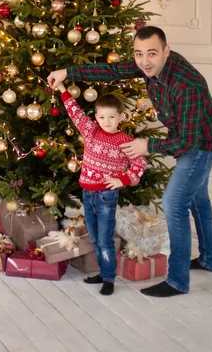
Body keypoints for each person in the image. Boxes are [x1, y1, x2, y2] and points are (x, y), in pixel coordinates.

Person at [48, 25, 212, 297]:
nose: (144, 61)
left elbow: (187, 143)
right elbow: (112, 71)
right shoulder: (148, 65)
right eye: (139, 54)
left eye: (152, 53)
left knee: (174, 202)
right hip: (187, 137)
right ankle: (210, 259)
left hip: (203, 143)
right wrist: (67, 73)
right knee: (197, 198)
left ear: (166, 51)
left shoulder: (187, 86)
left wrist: (147, 145)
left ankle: (177, 281)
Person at [57, 82, 146, 295]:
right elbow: (75, 112)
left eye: (112, 117)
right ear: (96, 117)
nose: (107, 122)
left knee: (105, 239)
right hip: (88, 194)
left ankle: (109, 278)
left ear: (121, 117)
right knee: (95, 238)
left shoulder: (125, 140)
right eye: (102, 117)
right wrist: (62, 89)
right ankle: (102, 272)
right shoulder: (90, 131)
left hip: (107, 195)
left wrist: (122, 180)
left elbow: (140, 163)